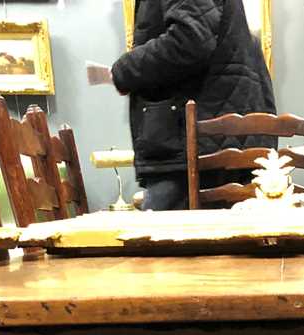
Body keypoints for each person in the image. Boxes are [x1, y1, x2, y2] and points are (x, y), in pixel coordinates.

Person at [111, 0, 275, 211]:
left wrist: (125, 69)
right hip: (204, 135)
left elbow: (190, 39)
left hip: (194, 144)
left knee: (161, 238)